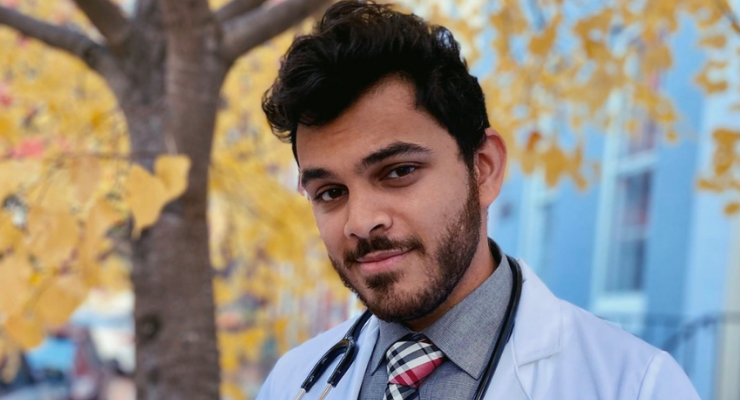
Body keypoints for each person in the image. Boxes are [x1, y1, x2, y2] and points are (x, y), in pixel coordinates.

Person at [256, 1, 701, 399]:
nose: (361, 221)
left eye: (398, 172)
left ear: (483, 168)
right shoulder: (291, 382)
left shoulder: (635, 385)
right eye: (330, 193)